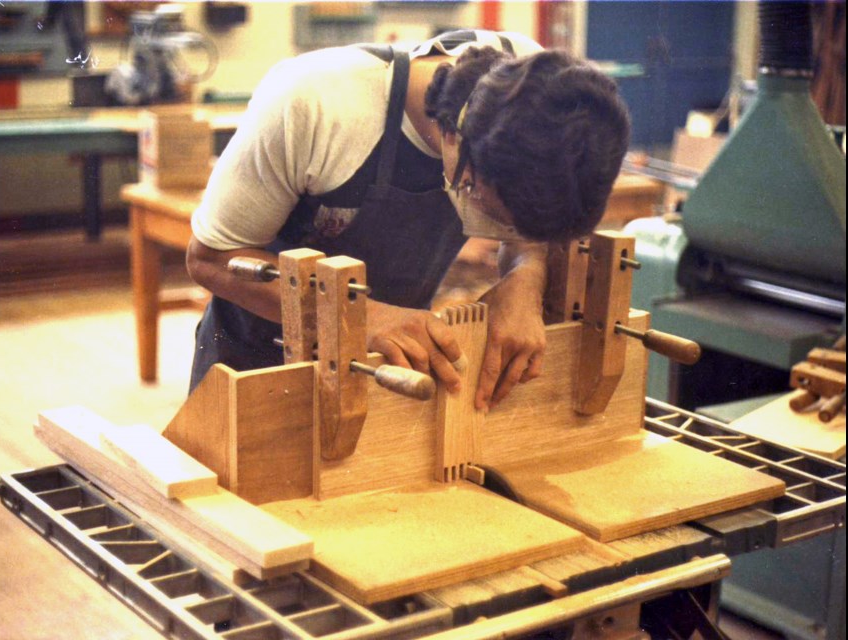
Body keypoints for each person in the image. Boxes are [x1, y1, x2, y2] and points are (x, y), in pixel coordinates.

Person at [187, 30, 630, 412]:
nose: (501, 231)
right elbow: (207, 258)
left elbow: (526, 237)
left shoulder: (535, 84)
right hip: (257, 355)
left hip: (392, 364)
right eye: (490, 212)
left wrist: (525, 277)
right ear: (454, 139)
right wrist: (366, 317)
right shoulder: (315, 103)